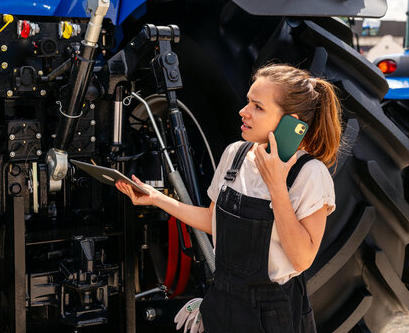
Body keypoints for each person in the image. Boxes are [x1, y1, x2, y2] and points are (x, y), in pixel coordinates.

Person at [115, 63, 341, 333]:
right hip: (222, 303)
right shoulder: (235, 155)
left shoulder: (309, 174)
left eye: (258, 107)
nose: (243, 112)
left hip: (270, 317)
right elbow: (213, 221)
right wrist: (156, 198)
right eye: (248, 102)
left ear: (291, 123)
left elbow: (302, 259)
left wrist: (277, 185)